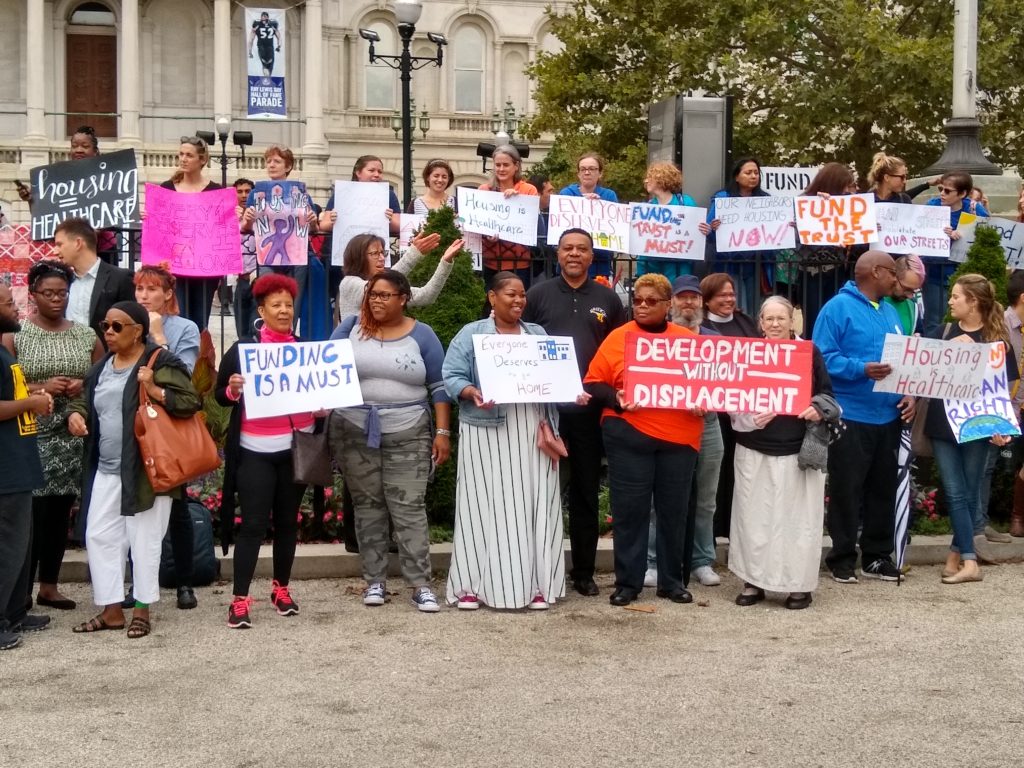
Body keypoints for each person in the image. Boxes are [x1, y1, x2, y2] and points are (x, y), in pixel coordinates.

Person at [442, 272, 580, 610]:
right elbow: (450, 375)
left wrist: (571, 393)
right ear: (492, 297)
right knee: (480, 506)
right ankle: (471, 586)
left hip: (531, 429)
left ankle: (536, 584)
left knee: (533, 503)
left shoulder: (538, 334)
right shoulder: (472, 334)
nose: (518, 301)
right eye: (510, 294)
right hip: (486, 430)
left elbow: (554, 378)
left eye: (522, 296)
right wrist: (471, 390)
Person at [68, 302, 201, 638]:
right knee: (100, 536)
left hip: (147, 471)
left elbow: (190, 402)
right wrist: (77, 414)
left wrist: (155, 389)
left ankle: (142, 609)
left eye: (117, 326)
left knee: (144, 540)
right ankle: (111, 610)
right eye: (105, 326)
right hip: (108, 468)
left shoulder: (160, 361)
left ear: (138, 330)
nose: (108, 333)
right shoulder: (101, 367)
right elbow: (87, 398)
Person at [329, 270, 451, 612]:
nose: (376, 300)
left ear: (403, 298)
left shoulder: (422, 335)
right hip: (353, 428)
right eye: (372, 294)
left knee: (408, 506)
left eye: (384, 295)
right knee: (368, 506)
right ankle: (375, 582)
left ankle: (420, 584)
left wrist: (442, 433)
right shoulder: (349, 328)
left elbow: (439, 387)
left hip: (409, 429)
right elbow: (323, 370)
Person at [583, 274, 704, 606]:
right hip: (629, 435)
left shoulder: (688, 340)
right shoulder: (617, 338)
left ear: (668, 305)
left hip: (680, 437)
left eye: (651, 301)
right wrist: (617, 397)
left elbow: (708, 385)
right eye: (637, 300)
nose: (643, 305)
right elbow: (593, 383)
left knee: (674, 510)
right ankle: (628, 583)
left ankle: (671, 581)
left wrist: (703, 401)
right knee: (629, 510)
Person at [522, 229, 627, 596]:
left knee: (584, 491)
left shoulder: (608, 299)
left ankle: (582, 572)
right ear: (557, 253)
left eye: (582, 249)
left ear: (591, 255)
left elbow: (620, 350)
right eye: (568, 248)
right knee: (537, 489)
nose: (574, 254)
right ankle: (534, 568)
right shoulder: (537, 294)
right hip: (542, 408)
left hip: (588, 411)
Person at [215, 274, 317, 629]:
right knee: (254, 526)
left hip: (295, 450)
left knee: (288, 523)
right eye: (276, 305)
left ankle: (281, 588)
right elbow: (218, 396)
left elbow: (317, 396)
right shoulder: (243, 350)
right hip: (255, 451)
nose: (284, 310)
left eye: (289, 305)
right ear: (261, 310)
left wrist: (322, 408)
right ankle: (240, 598)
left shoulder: (306, 351)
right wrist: (232, 389)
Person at [1, 261, 101, 612]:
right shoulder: (17, 336)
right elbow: (10, 387)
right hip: (30, 436)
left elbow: (102, 381)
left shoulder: (86, 335)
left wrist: (80, 385)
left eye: (62, 293)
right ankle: (20, 592)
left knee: (59, 514)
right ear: (33, 296)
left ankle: (49, 586)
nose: (57, 299)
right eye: (49, 293)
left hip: (71, 434)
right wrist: (44, 386)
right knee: (30, 516)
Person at [812, 250, 915, 583]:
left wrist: (909, 395)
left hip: (888, 415)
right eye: (892, 273)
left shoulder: (890, 311)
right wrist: (860, 369)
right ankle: (841, 557)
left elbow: (903, 364)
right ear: (874, 272)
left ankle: (876, 556)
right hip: (851, 414)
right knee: (846, 489)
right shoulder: (836, 309)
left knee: (882, 489)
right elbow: (822, 358)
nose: (896, 280)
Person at [729, 296, 836, 610]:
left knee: (798, 521)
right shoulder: (748, 353)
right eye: (769, 319)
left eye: (781, 318)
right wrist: (749, 416)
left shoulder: (809, 353)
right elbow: (732, 395)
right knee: (753, 519)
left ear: (793, 322)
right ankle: (753, 581)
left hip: (796, 451)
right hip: (754, 448)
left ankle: (798, 586)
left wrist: (817, 408)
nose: (775, 324)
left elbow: (827, 394)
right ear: (760, 323)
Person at [926, 275, 1018, 584]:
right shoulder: (944, 332)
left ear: (973, 302)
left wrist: (1001, 426)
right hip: (942, 425)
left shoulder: (997, 344)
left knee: (966, 493)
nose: (950, 301)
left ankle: (960, 558)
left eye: (956, 297)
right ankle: (967, 558)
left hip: (978, 429)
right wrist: (948, 347)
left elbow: (1004, 390)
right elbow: (921, 371)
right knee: (955, 492)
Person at [644, 275, 725, 589]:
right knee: (659, 498)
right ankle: (653, 561)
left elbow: (727, 385)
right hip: (667, 425)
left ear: (702, 303)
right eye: (682, 297)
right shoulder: (657, 338)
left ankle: (701, 560)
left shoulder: (715, 339)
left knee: (705, 499)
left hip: (708, 425)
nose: (688, 303)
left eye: (694, 297)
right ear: (670, 303)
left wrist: (710, 400)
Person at [134, 263, 201, 608]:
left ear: (168, 294)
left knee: (177, 506)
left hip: (170, 426)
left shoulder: (184, 328)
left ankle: (184, 583)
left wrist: (158, 337)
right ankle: (137, 583)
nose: (144, 296)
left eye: (151, 290)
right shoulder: (126, 321)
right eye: (139, 289)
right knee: (133, 504)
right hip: (135, 423)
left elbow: (185, 376)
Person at [0, 283, 54, 650]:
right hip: (5, 470)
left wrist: (30, 395)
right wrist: (29, 406)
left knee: (21, 545)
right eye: (8, 303)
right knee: (7, 546)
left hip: (18, 462)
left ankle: (16, 610)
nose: (17, 307)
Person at [701, 273, 759, 541]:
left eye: (731, 294)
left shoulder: (746, 322)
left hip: (743, 411)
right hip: (712, 413)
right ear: (707, 299)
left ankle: (733, 528)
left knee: (739, 470)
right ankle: (712, 531)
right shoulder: (698, 326)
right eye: (722, 295)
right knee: (714, 474)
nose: (728, 299)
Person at [240, 146, 320, 330]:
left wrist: (313, 221)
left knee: (294, 298)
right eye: (268, 161)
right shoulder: (255, 193)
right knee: (269, 294)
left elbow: (313, 229)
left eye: (276, 161)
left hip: (297, 255)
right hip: (267, 254)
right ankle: (268, 334)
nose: (271, 165)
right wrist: (247, 220)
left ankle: (289, 333)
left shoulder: (301, 193)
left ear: (288, 166)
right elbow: (247, 228)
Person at [18, 127, 119, 263]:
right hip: (71, 249)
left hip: (102, 249)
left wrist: (90, 233)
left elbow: (113, 211)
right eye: (74, 146)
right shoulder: (59, 178)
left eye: (85, 146)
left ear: (95, 152)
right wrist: (32, 200)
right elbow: (45, 217)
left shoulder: (108, 177)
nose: (78, 150)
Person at [157, 136, 224, 331]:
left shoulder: (215, 191)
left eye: (189, 155)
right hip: (174, 267)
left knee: (200, 320)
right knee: (176, 315)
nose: (183, 159)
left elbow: (220, 230)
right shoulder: (167, 188)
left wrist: (233, 216)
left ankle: (196, 359)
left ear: (202, 160)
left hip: (205, 269)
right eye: (181, 154)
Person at [796, 162, 867, 334]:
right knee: (814, 319)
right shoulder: (805, 201)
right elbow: (799, 240)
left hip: (836, 270)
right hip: (811, 272)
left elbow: (856, 230)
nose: (847, 191)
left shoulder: (844, 204)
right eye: (844, 186)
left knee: (836, 318)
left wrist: (869, 225)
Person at [336, 232, 462, 321]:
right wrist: (413, 255)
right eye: (374, 253)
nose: (381, 258)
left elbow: (427, 296)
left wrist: (446, 262)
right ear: (359, 258)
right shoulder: (348, 283)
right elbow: (381, 285)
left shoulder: (388, 287)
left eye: (382, 253)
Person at [52, 217, 135, 348]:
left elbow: (131, 327)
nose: (55, 251)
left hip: (106, 363)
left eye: (59, 244)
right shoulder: (62, 281)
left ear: (78, 243)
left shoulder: (121, 278)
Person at [705, 156, 774, 313]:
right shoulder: (723, 198)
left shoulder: (765, 199)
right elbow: (708, 233)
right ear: (737, 176)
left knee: (755, 308)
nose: (753, 176)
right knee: (737, 307)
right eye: (748, 172)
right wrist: (713, 228)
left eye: (756, 173)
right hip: (729, 263)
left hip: (755, 263)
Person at [924, 171, 989, 328]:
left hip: (964, 275)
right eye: (941, 189)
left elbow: (987, 237)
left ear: (962, 193)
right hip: (935, 274)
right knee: (934, 320)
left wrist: (962, 236)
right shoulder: (932, 206)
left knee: (963, 320)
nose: (942, 194)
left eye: (947, 191)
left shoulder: (974, 209)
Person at [480, 145, 538, 288]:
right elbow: (478, 221)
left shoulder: (528, 190)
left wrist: (517, 201)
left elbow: (533, 223)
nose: (501, 169)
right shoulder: (484, 190)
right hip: (491, 260)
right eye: (497, 165)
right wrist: (487, 234)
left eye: (506, 165)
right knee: (492, 304)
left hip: (520, 262)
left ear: (516, 166)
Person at [635, 162, 705, 282]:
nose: (646, 181)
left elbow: (695, 232)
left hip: (679, 266)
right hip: (651, 265)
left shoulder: (685, 202)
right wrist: (641, 271)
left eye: (650, 177)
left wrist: (704, 230)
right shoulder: (647, 208)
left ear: (662, 178)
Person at [559, 153, 619, 278]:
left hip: (599, 261)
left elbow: (615, 227)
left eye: (592, 169)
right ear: (578, 173)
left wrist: (599, 205)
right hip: (571, 260)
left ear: (600, 173)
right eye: (583, 169)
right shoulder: (566, 194)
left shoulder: (609, 196)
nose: (587, 172)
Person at [233, 178, 259, 338]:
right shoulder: (227, 217)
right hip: (241, 279)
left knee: (256, 327)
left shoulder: (263, 215)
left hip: (259, 277)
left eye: (248, 191)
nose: (244, 195)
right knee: (241, 329)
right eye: (240, 191)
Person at [884, 255, 926, 336]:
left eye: (914, 291)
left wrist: (918, 336)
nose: (910, 296)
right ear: (894, 276)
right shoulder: (874, 299)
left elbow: (919, 332)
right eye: (907, 289)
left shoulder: (913, 306)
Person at [249, 11, 281, 77]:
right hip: (267, 47)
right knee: (267, 65)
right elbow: (279, 37)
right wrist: (279, 46)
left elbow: (251, 40)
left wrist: (250, 51)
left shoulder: (257, 24)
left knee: (267, 65)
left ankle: (267, 77)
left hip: (263, 47)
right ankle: (267, 77)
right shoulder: (272, 24)